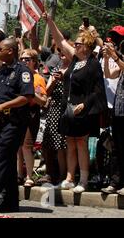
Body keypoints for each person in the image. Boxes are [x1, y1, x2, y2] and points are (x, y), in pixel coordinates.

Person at [43, 12, 107, 193]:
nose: (75, 45)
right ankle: (70, 177)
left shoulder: (93, 64)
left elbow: (97, 90)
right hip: (68, 108)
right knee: (69, 142)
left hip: (83, 109)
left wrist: (85, 105)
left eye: (78, 43)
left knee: (81, 144)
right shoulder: (75, 60)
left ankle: (83, 179)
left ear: (86, 47)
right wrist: (49, 21)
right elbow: (61, 41)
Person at [0, 38, 34, 213]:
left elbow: (27, 97)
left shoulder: (23, 71)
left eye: (1, 49)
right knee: (8, 161)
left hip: (15, 122)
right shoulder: (1, 71)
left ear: (11, 51)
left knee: (1, 158)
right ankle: (11, 200)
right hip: (0, 122)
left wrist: (3, 106)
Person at [17, 49, 48, 187]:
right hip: (16, 113)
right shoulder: (16, 75)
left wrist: (30, 93)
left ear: (34, 62)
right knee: (17, 146)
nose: (24, 61)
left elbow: (43, 101)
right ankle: (18, 174)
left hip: (31, 113)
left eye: (27, 59)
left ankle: (29, 176)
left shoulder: (38, 78)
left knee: (26, 145)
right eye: (22, 59)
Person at [39, 47, 69, 185]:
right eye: (60, 52)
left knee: (62, 145)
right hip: (54, 108)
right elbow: (47, 92)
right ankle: (50, 174)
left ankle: (63, 176)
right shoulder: (56, 68)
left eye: (64, 52)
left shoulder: (74, 68)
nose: (62, 55)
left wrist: (65, 79)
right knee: (49, 142)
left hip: (67, 109)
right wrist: (55, 80)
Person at [101, 29, 124, 195]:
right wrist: (108, 57)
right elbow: (109, 75)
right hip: (118, 110)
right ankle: (115, 182)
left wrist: (114, 55)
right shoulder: (120, 60)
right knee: (116, 148)